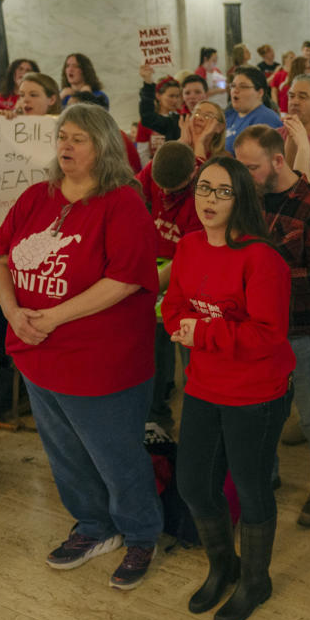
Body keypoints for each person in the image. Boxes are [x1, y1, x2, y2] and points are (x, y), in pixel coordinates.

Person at [0, 102, 162, 588]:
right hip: (36, 352)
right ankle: (93, 525)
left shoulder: (122, 202)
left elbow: (126, 279)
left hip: (100, 360)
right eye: (62, 136)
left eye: (78, 138)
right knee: (64, 451)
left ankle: (141, 533)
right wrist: (14, 314)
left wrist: (51, 317)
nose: (65, 146)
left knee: (115, 454)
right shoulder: (34, 197)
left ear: (103, 145)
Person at [162, 155, 293, 620]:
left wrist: (202, 334)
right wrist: (188, 327)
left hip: (256, 391)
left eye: (222, 191)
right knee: (194, 483)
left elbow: (268, 335)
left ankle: (256, 581)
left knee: (253, 489)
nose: (209, 200)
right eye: (203, 189)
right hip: (204, 383)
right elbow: (173, 307)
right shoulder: (190, 245)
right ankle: (224, 567)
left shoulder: (262, 257)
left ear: (241, 199)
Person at [233, 126, 310, 528]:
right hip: (254, 328)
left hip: (301, 329)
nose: (244, 177)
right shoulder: (248, 201)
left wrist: (257, 279)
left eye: (251, 168)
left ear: (279, 161)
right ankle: (270, 474)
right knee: (265, 412)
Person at [137, 141, 202, 429]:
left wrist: (151, 286)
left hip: (189, 275)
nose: (163, 194)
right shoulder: (153, 169)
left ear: (191, 176)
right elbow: (133, 196)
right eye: (159, 186)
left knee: (190, 354)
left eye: (172, 189)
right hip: (154, 264)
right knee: (153, 348)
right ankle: (156, 415)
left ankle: (195, 423)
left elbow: (190, 255)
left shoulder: (203, 191)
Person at [223, 66, 281, 153]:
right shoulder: (229, 115)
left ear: (260, 93)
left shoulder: (266, 120)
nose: (235, 90)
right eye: (233, 86)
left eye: (243, 86)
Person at [136, 65, 183, 165]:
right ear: (158, 96)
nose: (175, 100)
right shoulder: (149, 121)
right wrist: (148, 81)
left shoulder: (181, 118)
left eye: (177, 96)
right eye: (171, 96)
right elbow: (143, 154)